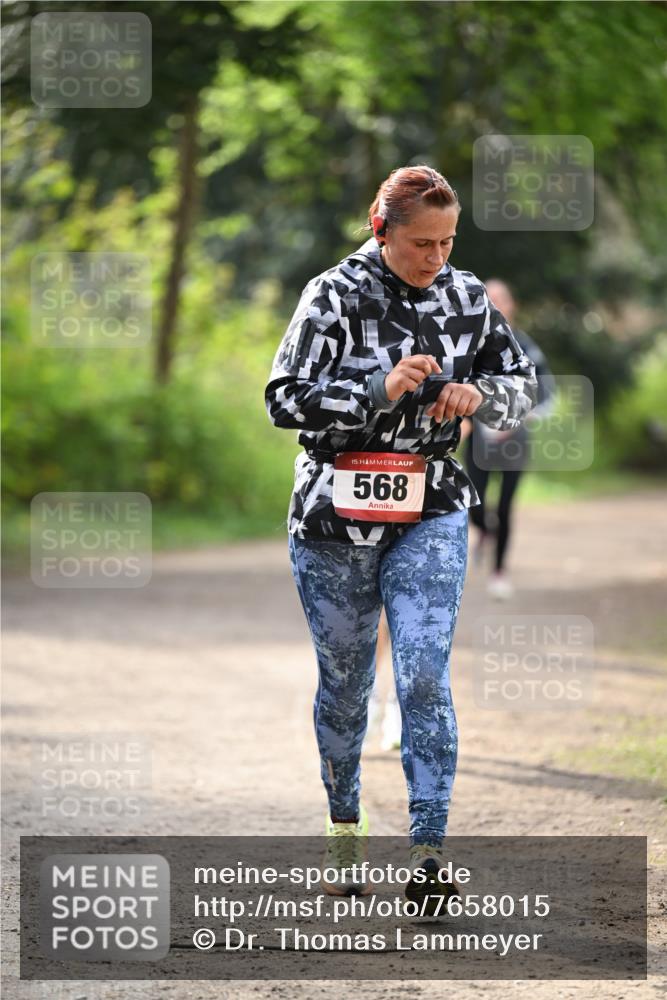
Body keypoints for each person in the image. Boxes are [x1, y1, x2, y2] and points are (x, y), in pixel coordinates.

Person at [265, 165, 537, 905]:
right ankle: (344, 838)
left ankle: (426, 854)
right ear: (381, 230)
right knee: (348, 686)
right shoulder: (332, 294)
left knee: (420, 675)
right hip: (333, 510)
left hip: (431, 502)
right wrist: (375, 388)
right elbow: (283, 399)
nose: (436, 258)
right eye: (423, 243)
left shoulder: (464, 294)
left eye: (447, 241)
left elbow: (520, 380)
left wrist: (477, 392)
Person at [464, 279, 555, 600]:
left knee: (504, 507)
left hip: (516, 439)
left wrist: (519, 418)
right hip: (478, 438)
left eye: (502, 298)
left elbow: (547, 393)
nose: (496, 303)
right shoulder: (468, 343)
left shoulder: (526, 346)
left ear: (512, 304)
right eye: (490, 298)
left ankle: (499, 572)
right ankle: (485, 531)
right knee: (472, 501)